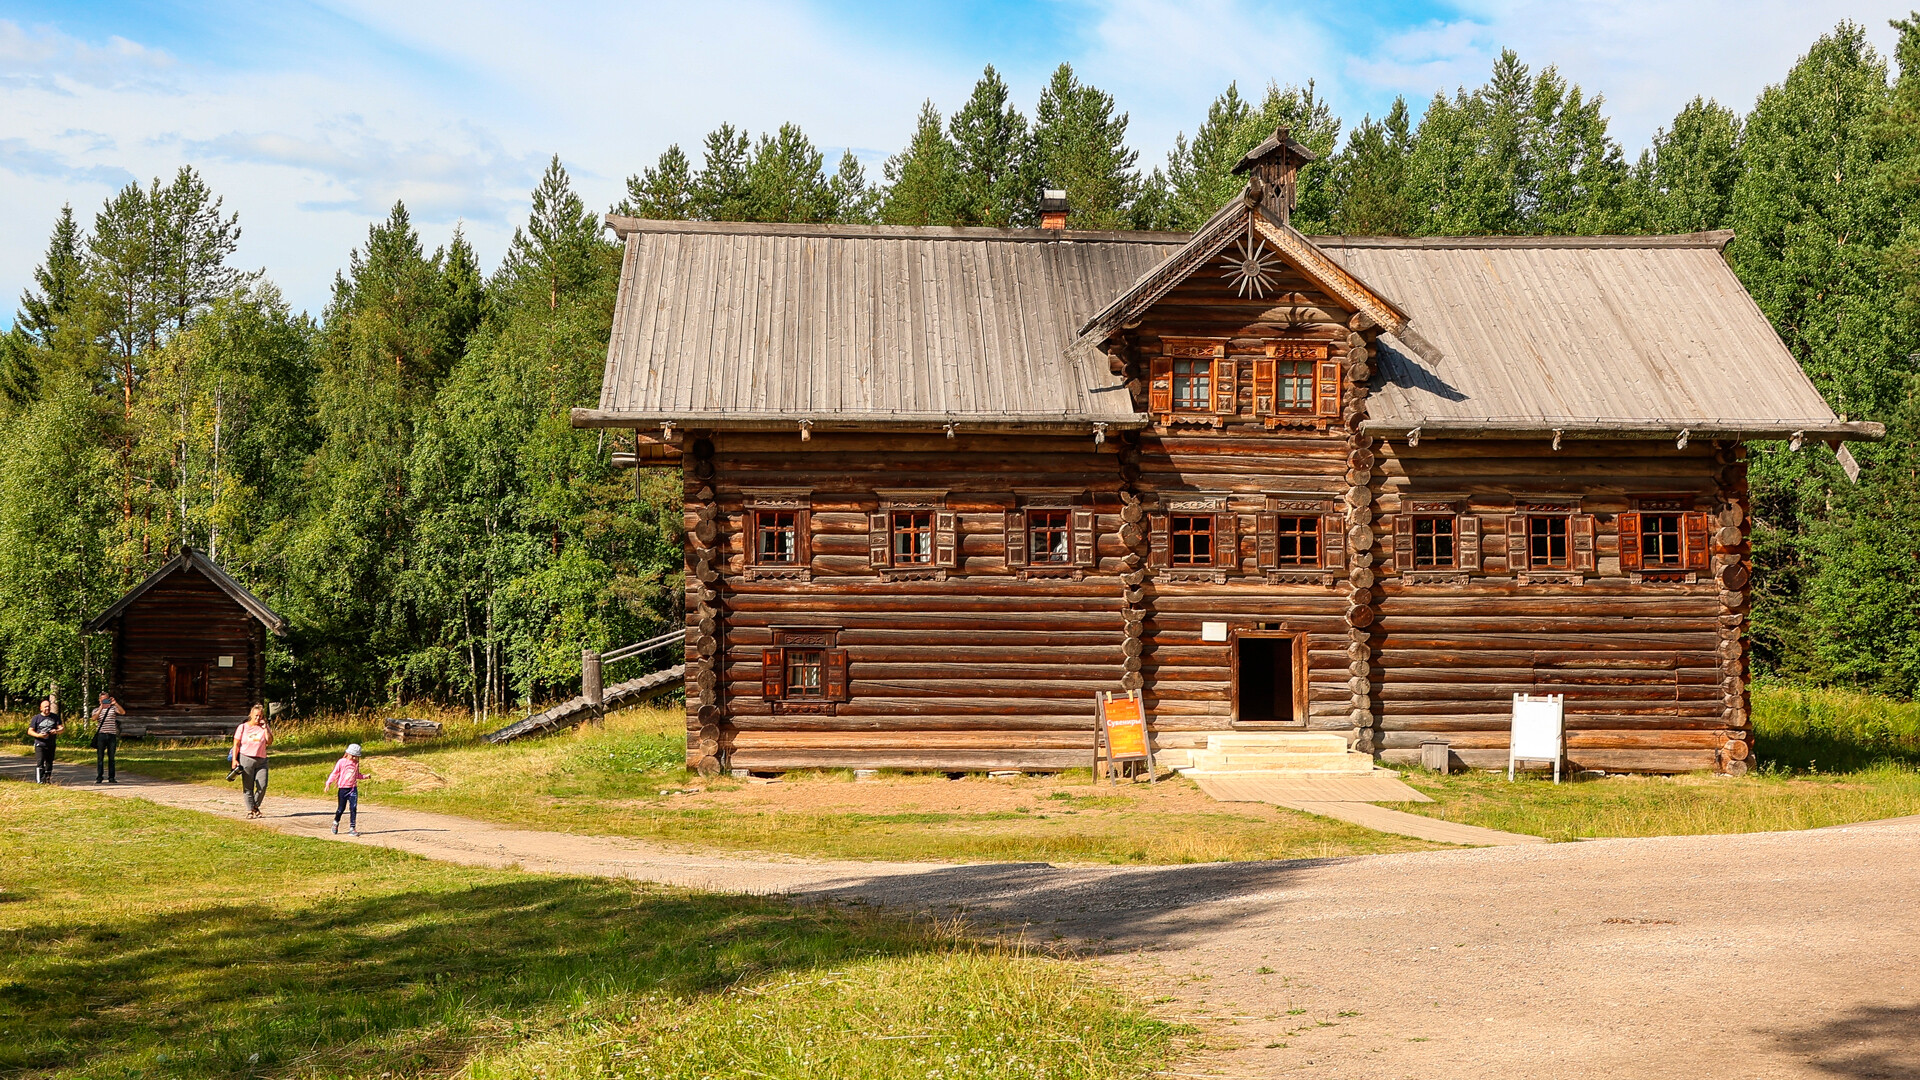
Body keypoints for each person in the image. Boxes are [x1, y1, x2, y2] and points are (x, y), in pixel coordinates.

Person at [228, 704, 273, 818]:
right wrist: (234, 760)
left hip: (262, 760)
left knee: (262, 785)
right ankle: (250, 810)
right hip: (246, 758)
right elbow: (236, 744)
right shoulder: (243, 727)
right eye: (256, 716)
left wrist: (265, 728)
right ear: (251, 715)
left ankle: (255, 806)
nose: (258, 718)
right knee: (248, 787)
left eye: (260, 716)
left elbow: (269, 742)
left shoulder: (264, 727)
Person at [323, 743, 366, 836]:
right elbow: (334, 773)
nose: (355, 758)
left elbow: (357, 775)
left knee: (353, 808)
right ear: (348, 753)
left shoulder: (356, 763)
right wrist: (328, 784)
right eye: (353, 756)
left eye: (356, 756)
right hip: (343, 789)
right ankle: (335, 822)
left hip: (353, 788)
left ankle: (352, 828)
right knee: (341, 809)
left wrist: (365, 776)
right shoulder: (341, 762)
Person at [27, 700, 63, 784]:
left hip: (51, 743)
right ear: (41, 708)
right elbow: (29, 731)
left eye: (48, 706)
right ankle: (40, 781)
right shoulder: (36, 718)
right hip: (40, 743)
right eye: (45, 707)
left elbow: (61, 728)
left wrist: (56, 731)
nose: (47, 708)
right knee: (40, 762)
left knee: (49, 762)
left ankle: (47, 779)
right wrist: (39, 735)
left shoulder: (55, 717)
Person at [91, 692, 124, 784]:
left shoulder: (113, 709)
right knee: (100, 757)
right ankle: (99, 777)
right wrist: (101, 707)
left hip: (112, 735)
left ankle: (111, 777)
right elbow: (94, 718)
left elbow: (123, 712)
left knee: (111, 757)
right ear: (99, 700)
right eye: (103, 699)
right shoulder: (96, 710)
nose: (104, 701)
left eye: (106, 699)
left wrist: (115, 703)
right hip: (101, 735)